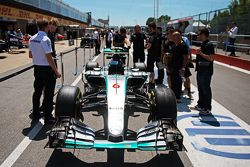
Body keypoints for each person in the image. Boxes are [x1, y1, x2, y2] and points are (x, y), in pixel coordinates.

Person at [29, 19, 61, 124]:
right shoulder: (45, 39)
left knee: (37, 92)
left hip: (37, 68)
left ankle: (36, 114)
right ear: (47, 27)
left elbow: (30, 55)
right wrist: (56, 71)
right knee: (48, 94)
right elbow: (49, 57)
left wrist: (38, 56)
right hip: (47, 69)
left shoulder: (32, 38)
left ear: (38, 27)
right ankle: (48, 117)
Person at [193, 28, 215, 115]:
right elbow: (202, 58)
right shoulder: (203, 44)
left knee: (206, 89)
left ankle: (207, 108)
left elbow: (211, 58)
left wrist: (200, 53)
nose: (198, 36)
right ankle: (201, 105)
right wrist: (192, 61)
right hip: (201, 70)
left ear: (203, 35)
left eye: (199, 34)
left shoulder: (209, 44)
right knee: (201, 89)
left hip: (206, 71)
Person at [171, 32, 189, 103]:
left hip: (179, 67)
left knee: (178, 82)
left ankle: (178, 97)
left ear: (178, 37)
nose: (172, 39)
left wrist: (183, 68)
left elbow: (186, 58)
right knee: (174, 82)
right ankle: (174, 96)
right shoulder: (175, 45)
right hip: (174, 67)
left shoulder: (183, 46)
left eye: (174, 37)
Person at [146, 22, 158, 89]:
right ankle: (151, 81)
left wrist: (145, 47)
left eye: (149, 28)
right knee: (151, 69)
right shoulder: (156, 35)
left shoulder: (152, 36)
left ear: (151, 28)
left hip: (151, 55)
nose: (148, 29)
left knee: (151, 70)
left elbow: (149, 46)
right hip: (155, 54)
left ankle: (152, 82)